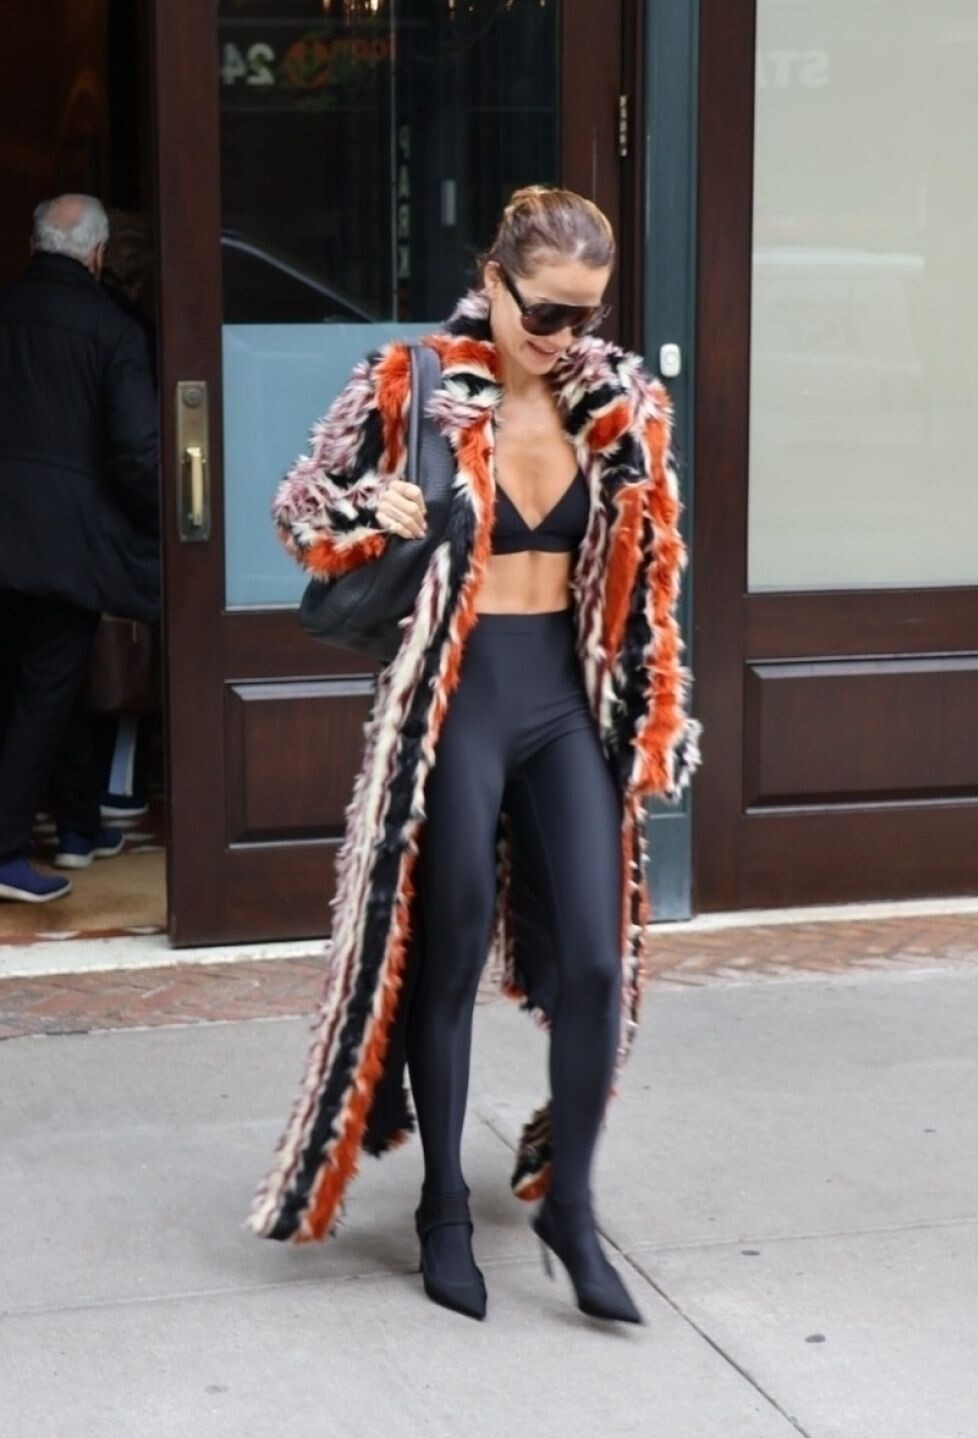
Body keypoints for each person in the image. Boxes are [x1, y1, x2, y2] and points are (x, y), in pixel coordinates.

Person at [249, 187, 701, 1326]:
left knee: (596, 961)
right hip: (457, 698)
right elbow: (299, 511)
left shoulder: (621, 400)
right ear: (492, 283)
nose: (563, 337)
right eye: (544, 312)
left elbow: (649, 575)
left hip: (563, 700)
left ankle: (571, 1207)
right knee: (445, 956)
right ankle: (442, 1208)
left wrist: (651, 709)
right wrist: (373, 507)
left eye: (586, 315)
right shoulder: (407, 384)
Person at [0, 194, 160, 903]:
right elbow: (136, 450)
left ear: (34, 245)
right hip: (65, 544)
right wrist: (165, 524)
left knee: (48, 686)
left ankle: (77, 826)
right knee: (46, 692)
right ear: (96, 255)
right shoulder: (111, 328)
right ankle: (6, 851)